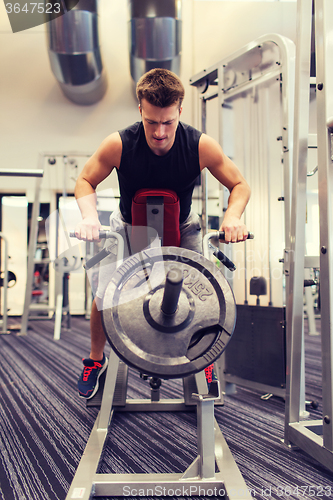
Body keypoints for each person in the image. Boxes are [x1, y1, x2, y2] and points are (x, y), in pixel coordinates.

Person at [74, 68, 251, 399]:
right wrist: (88, 216)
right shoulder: (118, 143)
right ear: (140, 109)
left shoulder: (200, 145)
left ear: (179, 111)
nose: (159, 131)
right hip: (127, 226)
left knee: (207, 292)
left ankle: (204, 358)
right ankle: (96, 360)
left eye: (167, 122)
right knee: (102, 292)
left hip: (182, 227)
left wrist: (233, 215)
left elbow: (239, 184)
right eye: (152, 121)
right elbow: (85, 180)